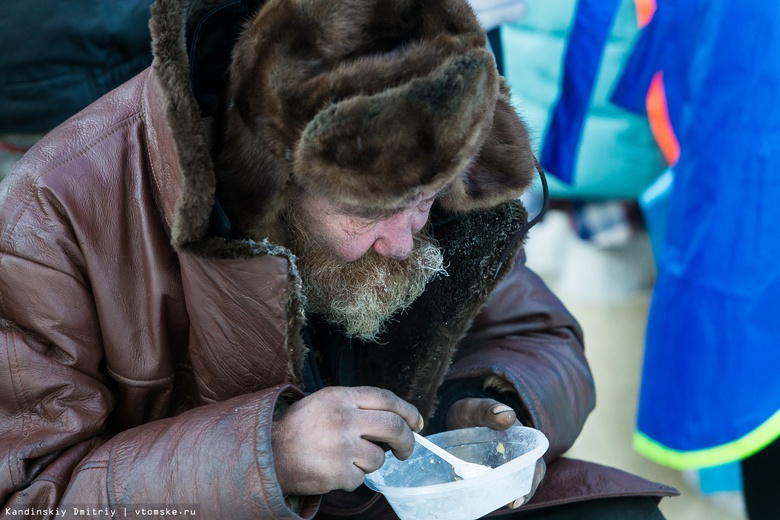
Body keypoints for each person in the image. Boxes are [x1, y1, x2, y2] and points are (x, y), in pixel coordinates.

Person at [0, 0, 676, 518]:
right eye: (371, 211)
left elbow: (540, 335)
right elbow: (29, 495)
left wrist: (481, 402)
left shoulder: (434, 157)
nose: (408, 240)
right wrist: (269, 455)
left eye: (426, 199)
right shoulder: (55, 209)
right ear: (271, 175)